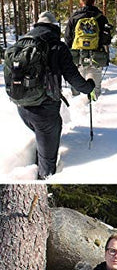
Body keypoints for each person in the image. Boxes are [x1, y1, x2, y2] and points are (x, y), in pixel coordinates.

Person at [15, 11, 95, 180]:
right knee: (47, 165)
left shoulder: (22, 42)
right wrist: (89, 87)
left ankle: (38, 158)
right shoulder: (57, 46)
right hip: (44, 111)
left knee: (50, 130)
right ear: (54, 27)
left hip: (21, 106)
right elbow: (74, 78)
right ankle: (43, 178)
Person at [65, 0, 112, 97]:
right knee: (95, 87)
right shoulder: (101, 17)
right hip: (96, 54)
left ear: (81, 2)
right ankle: (94, 102)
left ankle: (77, 101)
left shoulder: (74, 17)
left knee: (77, 82)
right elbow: (107, 40)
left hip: (77, 55)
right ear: (93, 2)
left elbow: (67, 38)